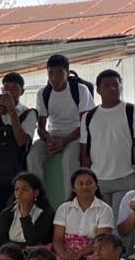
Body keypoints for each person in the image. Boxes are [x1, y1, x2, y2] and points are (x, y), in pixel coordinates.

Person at [81, 69, 135, 214]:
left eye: (115, 85)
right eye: (107, 85)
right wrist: (87, 180)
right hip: (98, 180)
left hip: (126, 178)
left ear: (121, 87)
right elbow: (84, 153)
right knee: (101, 222)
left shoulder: (133, 111)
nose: (112, 88)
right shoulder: (88, 117)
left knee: (121, 222)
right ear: (98, 90)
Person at [30, 53, 94, 200]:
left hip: (75, 135)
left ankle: (69, 200)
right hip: (53, 135)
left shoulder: (80, 90)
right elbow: (40, 128)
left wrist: (63, 141)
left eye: (59, 73)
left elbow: (85, 124)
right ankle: (39, 199)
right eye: (50, 73)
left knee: (69, 160)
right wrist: (49, 139)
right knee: (32, 156)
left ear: (67, 73)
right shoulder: (43, 93)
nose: (54, 78)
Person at [0, 73, 36, 210]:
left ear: (22, 92)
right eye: (6, 89)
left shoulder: (28, 113)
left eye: (14, 89)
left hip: (15, 174)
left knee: (13, 212)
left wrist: (12, 112)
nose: (9, 93)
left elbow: (22, 141)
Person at [52, 168, 114, 260]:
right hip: (65, 252)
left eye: (89, 183)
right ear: (73, 188)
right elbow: (57, 239)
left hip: (93, 252)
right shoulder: (64, 209)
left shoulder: (105, 210)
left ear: (96, 186)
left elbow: (101, 240)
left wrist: (79, 254)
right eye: (80, 184)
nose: (85, 187)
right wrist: (66, 256)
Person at [0, 172, 53, 249]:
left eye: (24, 189)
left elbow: (33, 242)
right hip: (11, 253)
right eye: (16, 189)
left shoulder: (46, 213)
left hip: (34, 254)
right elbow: (0, 241)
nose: (19, 193)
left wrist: (25, 214)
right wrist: (22, 247)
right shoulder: (7, 213)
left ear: (36, 193)